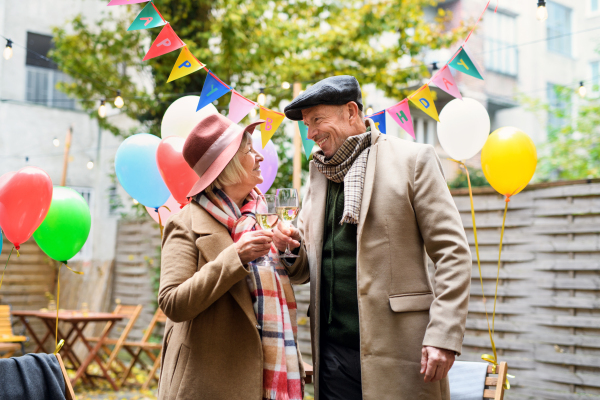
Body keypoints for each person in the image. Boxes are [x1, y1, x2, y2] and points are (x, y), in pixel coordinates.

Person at [273, 75, 472, 400]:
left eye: (317, 120)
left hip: (402, 353)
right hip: (332, 358)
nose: (310, 134)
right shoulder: (319, 177)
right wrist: (290, 247)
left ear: (351, 112)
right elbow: (305, 269)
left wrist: (444, 335)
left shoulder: (413, 160)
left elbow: (453, 254)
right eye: (307, 125)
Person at [158, 113, 305, 400]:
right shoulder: (185, 223)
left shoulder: (264, 216)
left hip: (270, 376)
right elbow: (172, 303)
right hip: (211, 382)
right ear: (227, 167)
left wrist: (290, 249)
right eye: (249, 151)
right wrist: (234, 258)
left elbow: (301, 275)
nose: (260, 156)